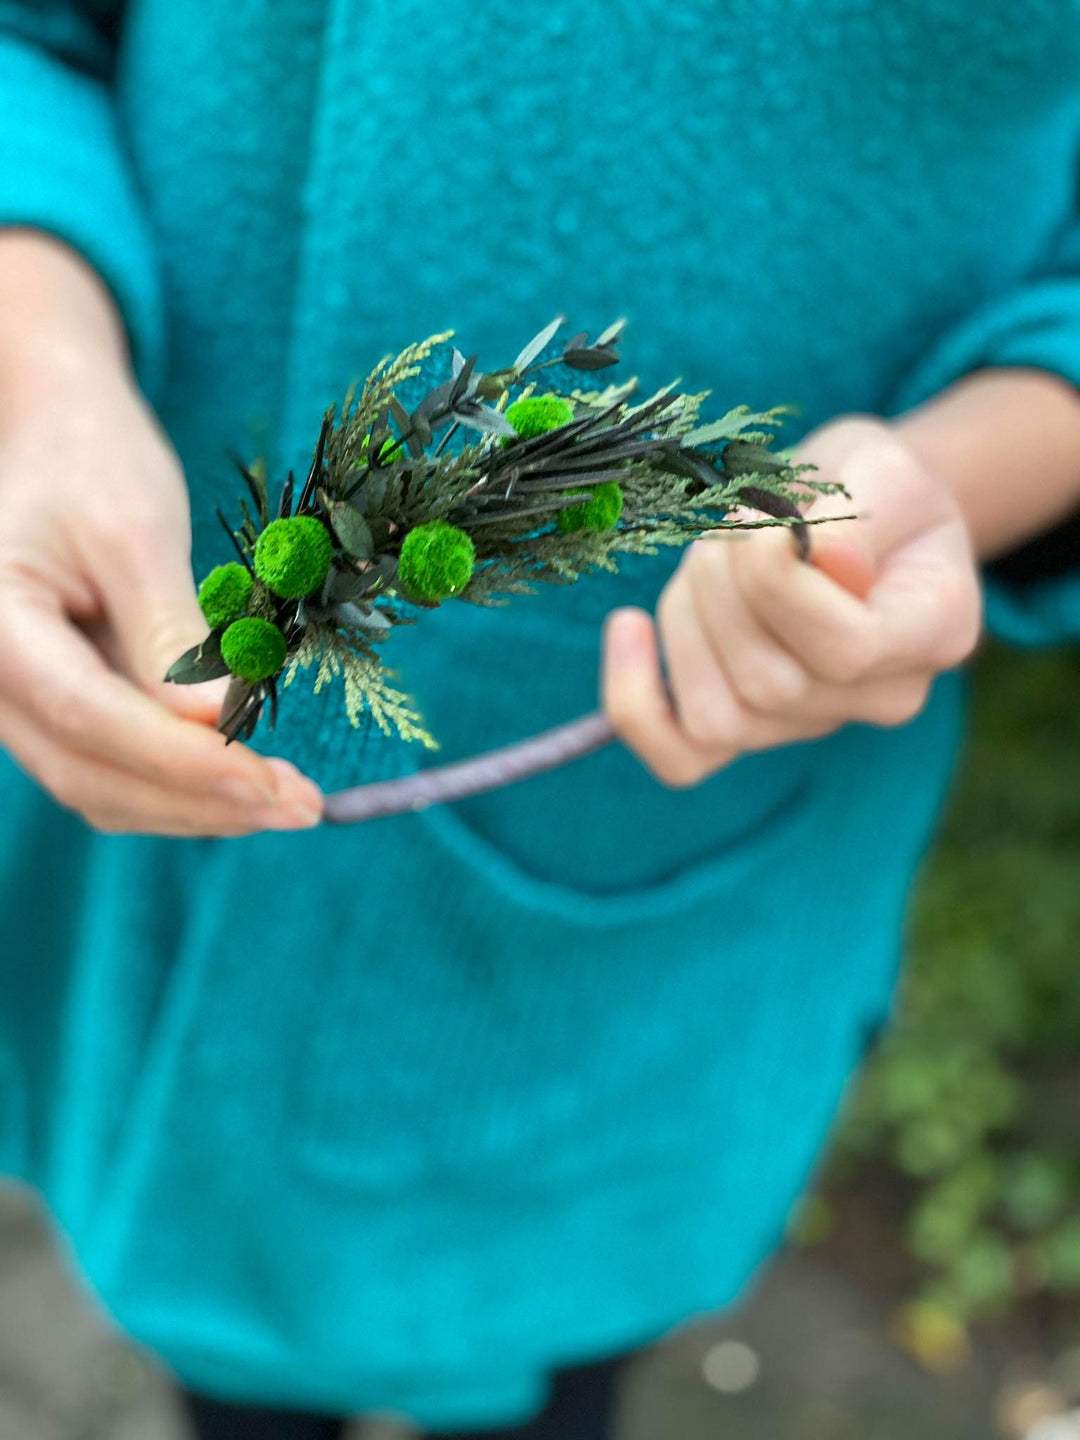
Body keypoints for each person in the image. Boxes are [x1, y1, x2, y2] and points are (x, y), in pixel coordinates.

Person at [0, 4, 1078, 1438]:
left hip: (656, 882)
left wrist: (942, 482)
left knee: (556, 1372)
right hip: (130, 758)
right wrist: (46, 373)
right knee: (219, 1355)